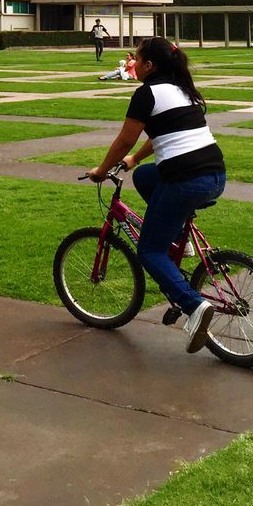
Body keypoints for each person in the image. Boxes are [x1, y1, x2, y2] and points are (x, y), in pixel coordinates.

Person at [87, 36, 226, 354]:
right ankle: (181, 239)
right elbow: (164, 133)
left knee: (149, 251)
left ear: (150, 65)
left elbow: (124, 139)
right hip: (214, 175)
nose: (132, 63)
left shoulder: (146, 94)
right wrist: (135, 159)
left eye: (136, 58)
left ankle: (194, 306)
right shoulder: (182, 90)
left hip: (185, 181)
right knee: (144, 176)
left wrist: (100, 169)